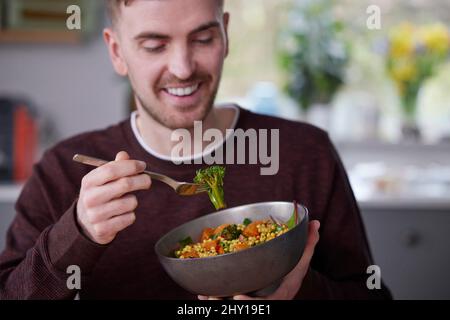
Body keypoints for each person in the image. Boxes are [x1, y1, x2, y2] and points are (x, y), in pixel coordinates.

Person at [0, 0, 391, 300]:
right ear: (117, 52)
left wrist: (298, 291)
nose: (183, 67)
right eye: (154, 46)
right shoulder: (63, 170)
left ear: (225, 35)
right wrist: (78, 232)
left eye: (202, 39)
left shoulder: (304, 153)